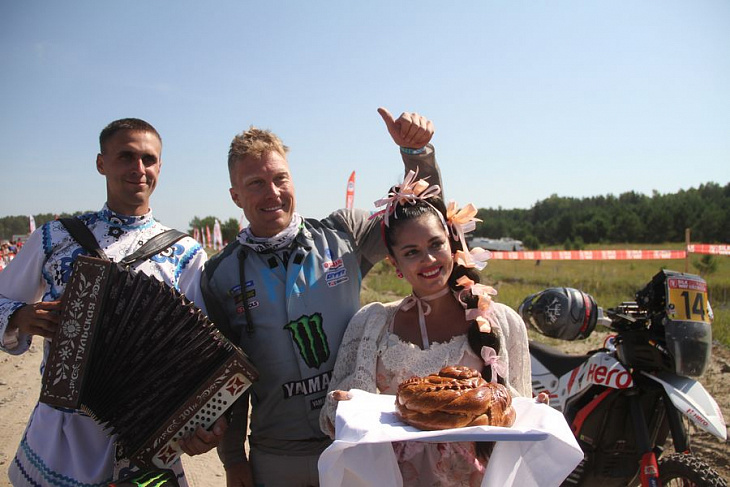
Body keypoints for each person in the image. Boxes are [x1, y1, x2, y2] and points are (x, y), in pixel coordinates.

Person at [199, 108, 440, 487]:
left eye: (280, 178)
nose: (272, 192)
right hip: (277, 454)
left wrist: (417, 154)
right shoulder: (219, 274)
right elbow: (229, 379)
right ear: (235, 195)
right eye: (256, 183)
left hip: (352, 440)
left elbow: (424, 220)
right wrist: (233, 460)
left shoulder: (344, 233)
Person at [0, 118, 212, 486]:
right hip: (61, 435)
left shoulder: (187, 253)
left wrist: (203, 420)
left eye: (148, 159)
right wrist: (19, 315)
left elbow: (202, 353)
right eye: (126, 156)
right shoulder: (56, 237)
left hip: (144, 434)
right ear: (102, 163)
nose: (139, 168)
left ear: (160, 167)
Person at [319, 174, 532, 486]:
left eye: (436, 244)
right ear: (394, 263)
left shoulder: (502, 322)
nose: (429, 259)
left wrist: (534, 409)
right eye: (411, 252)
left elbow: (518, 415)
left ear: (452, 242)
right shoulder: (372, 324)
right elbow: (333, 421)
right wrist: (342, 406)